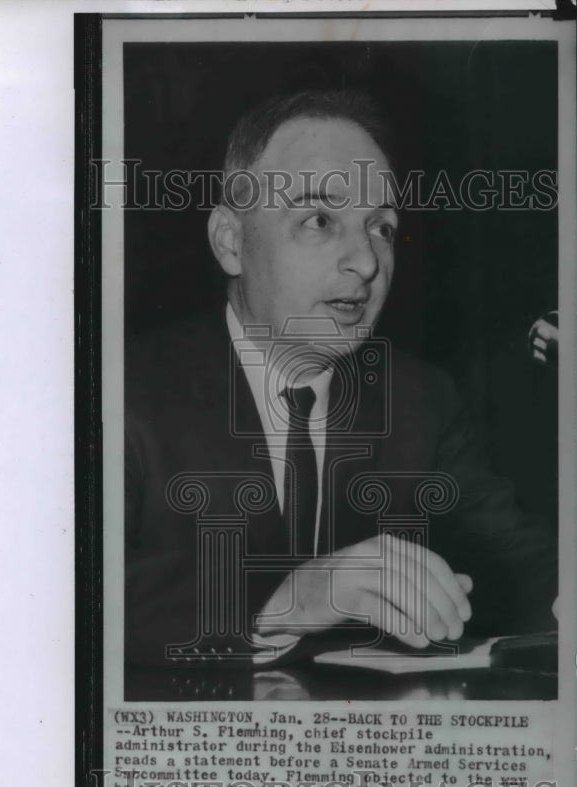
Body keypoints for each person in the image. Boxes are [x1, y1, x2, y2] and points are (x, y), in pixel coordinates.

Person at [125, 90, 558, 668]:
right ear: (231, 243)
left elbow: (527, 565)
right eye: (320, 220)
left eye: (381, 226)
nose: (367, 261)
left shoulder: (420, 401)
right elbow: (66, 592)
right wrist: (285, 600)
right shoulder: (120, 394)